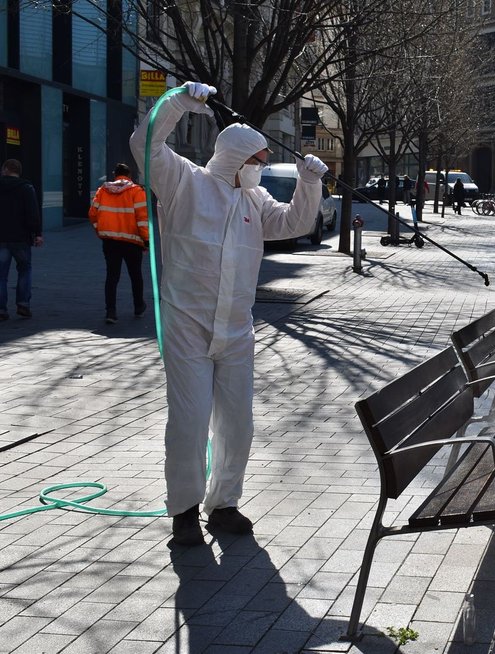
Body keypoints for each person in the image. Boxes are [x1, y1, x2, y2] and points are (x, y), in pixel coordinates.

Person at [130, 81, 328, 546]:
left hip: (237, 328)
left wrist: (310, 182)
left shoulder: (253, 201)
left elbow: (294, 223)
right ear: (236, 159)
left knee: (237, 421)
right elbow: (145, 144)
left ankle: (224, 504)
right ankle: (183, 510)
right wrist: (178, 101)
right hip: (186, 324)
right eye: (257, 163)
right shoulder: (183, 181)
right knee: (190, 418)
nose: (260, 171)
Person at [89, 163, 149, 324]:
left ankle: (111, 311)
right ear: (129, 175)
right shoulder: (137, 192)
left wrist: (100, 231)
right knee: (135, 275)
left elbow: (93, 214)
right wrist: (146, 241)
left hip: (110, 241)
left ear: (115, 175)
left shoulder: (103, 191)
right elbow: (142, 219)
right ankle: (138, 306)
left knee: (112, 276)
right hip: (132, 242)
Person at [0, 159, 43, 320]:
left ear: (5, 169)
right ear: (18, 171)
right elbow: (33, 213)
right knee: (24, 270)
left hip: (1, 237)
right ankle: (23, 304)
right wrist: (37, 234)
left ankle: (1, 309)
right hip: (21, 238)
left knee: (1, 275)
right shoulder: (26, 188)